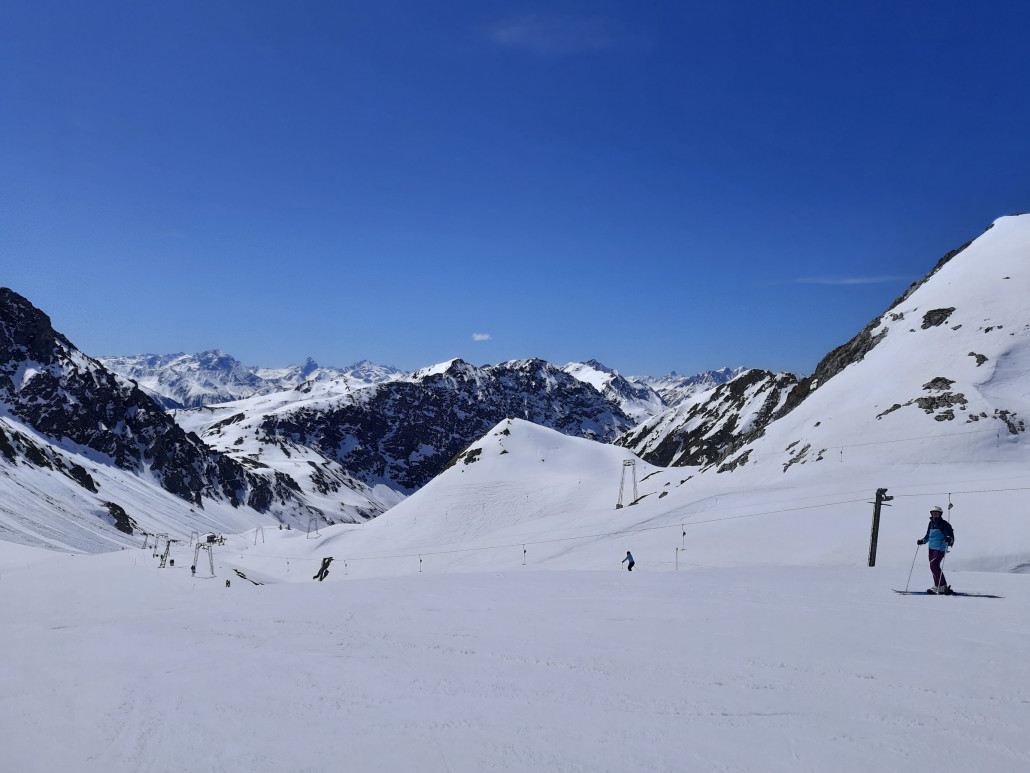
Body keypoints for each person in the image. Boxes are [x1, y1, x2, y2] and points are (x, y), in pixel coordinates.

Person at [917, 505, 955, 594]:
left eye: (937, 513)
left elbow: (950, 535)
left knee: (933, 565)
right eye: (933, 513)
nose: (935, 515)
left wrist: (949, 539)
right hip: (931, 548)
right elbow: (928, 535)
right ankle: (939, 586)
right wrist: (922, 541)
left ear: (940, 514)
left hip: (940, 548)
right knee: (933, 566)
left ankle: (941, 586)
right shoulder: (931, 523)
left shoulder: (944, 524)